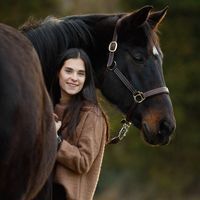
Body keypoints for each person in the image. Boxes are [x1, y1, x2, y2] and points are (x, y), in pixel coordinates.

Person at [50, 48, 109, 200]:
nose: (74, 78)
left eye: (80, 73)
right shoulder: (48, 109)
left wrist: (55, 140)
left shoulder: (92, 115)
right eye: (68, 71)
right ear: (58, 73)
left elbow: (83, 162)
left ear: (86, 79)